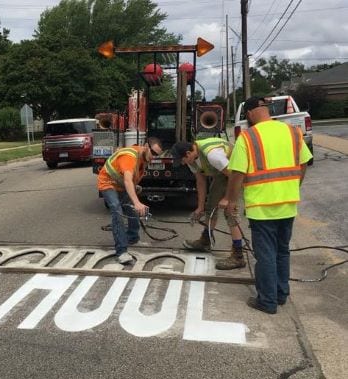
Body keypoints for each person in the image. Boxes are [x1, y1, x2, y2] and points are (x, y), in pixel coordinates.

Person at [219, 96, 313, 314]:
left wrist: (231, 201)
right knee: (282, 251)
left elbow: (237, 174)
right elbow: (303, 163)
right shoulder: (292, 132)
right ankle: (281, 294)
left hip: (262, 207)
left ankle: (267, 301)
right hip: (288, 204)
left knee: (266, 255)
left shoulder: (248, 137)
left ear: (250, 114)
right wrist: (293, 186)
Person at [171, 138, 245, 270]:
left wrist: (228, 198)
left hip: (236, 173)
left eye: (182, 160)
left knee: (230, 211)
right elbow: (201, 182)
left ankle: (238, 255)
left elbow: (233, 176)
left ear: (188, 153)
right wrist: (200, 207)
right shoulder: (192, 160)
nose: (182, 163)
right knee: (210, 207)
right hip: (223, 173)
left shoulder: (213, 155)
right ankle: (206, 240)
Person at [98, 137, 163, 264]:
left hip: (120, 184)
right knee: (117, 210)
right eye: (153, 153)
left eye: (157, 155)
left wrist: (135, 189)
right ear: (145, 146)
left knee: (131, 208)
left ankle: (133, 237)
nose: (154, 157)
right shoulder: (130, 156)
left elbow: (130, 179)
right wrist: (137, 202)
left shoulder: (143, 158)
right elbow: (127, 180)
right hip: (108, 183)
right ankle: (121, 252)